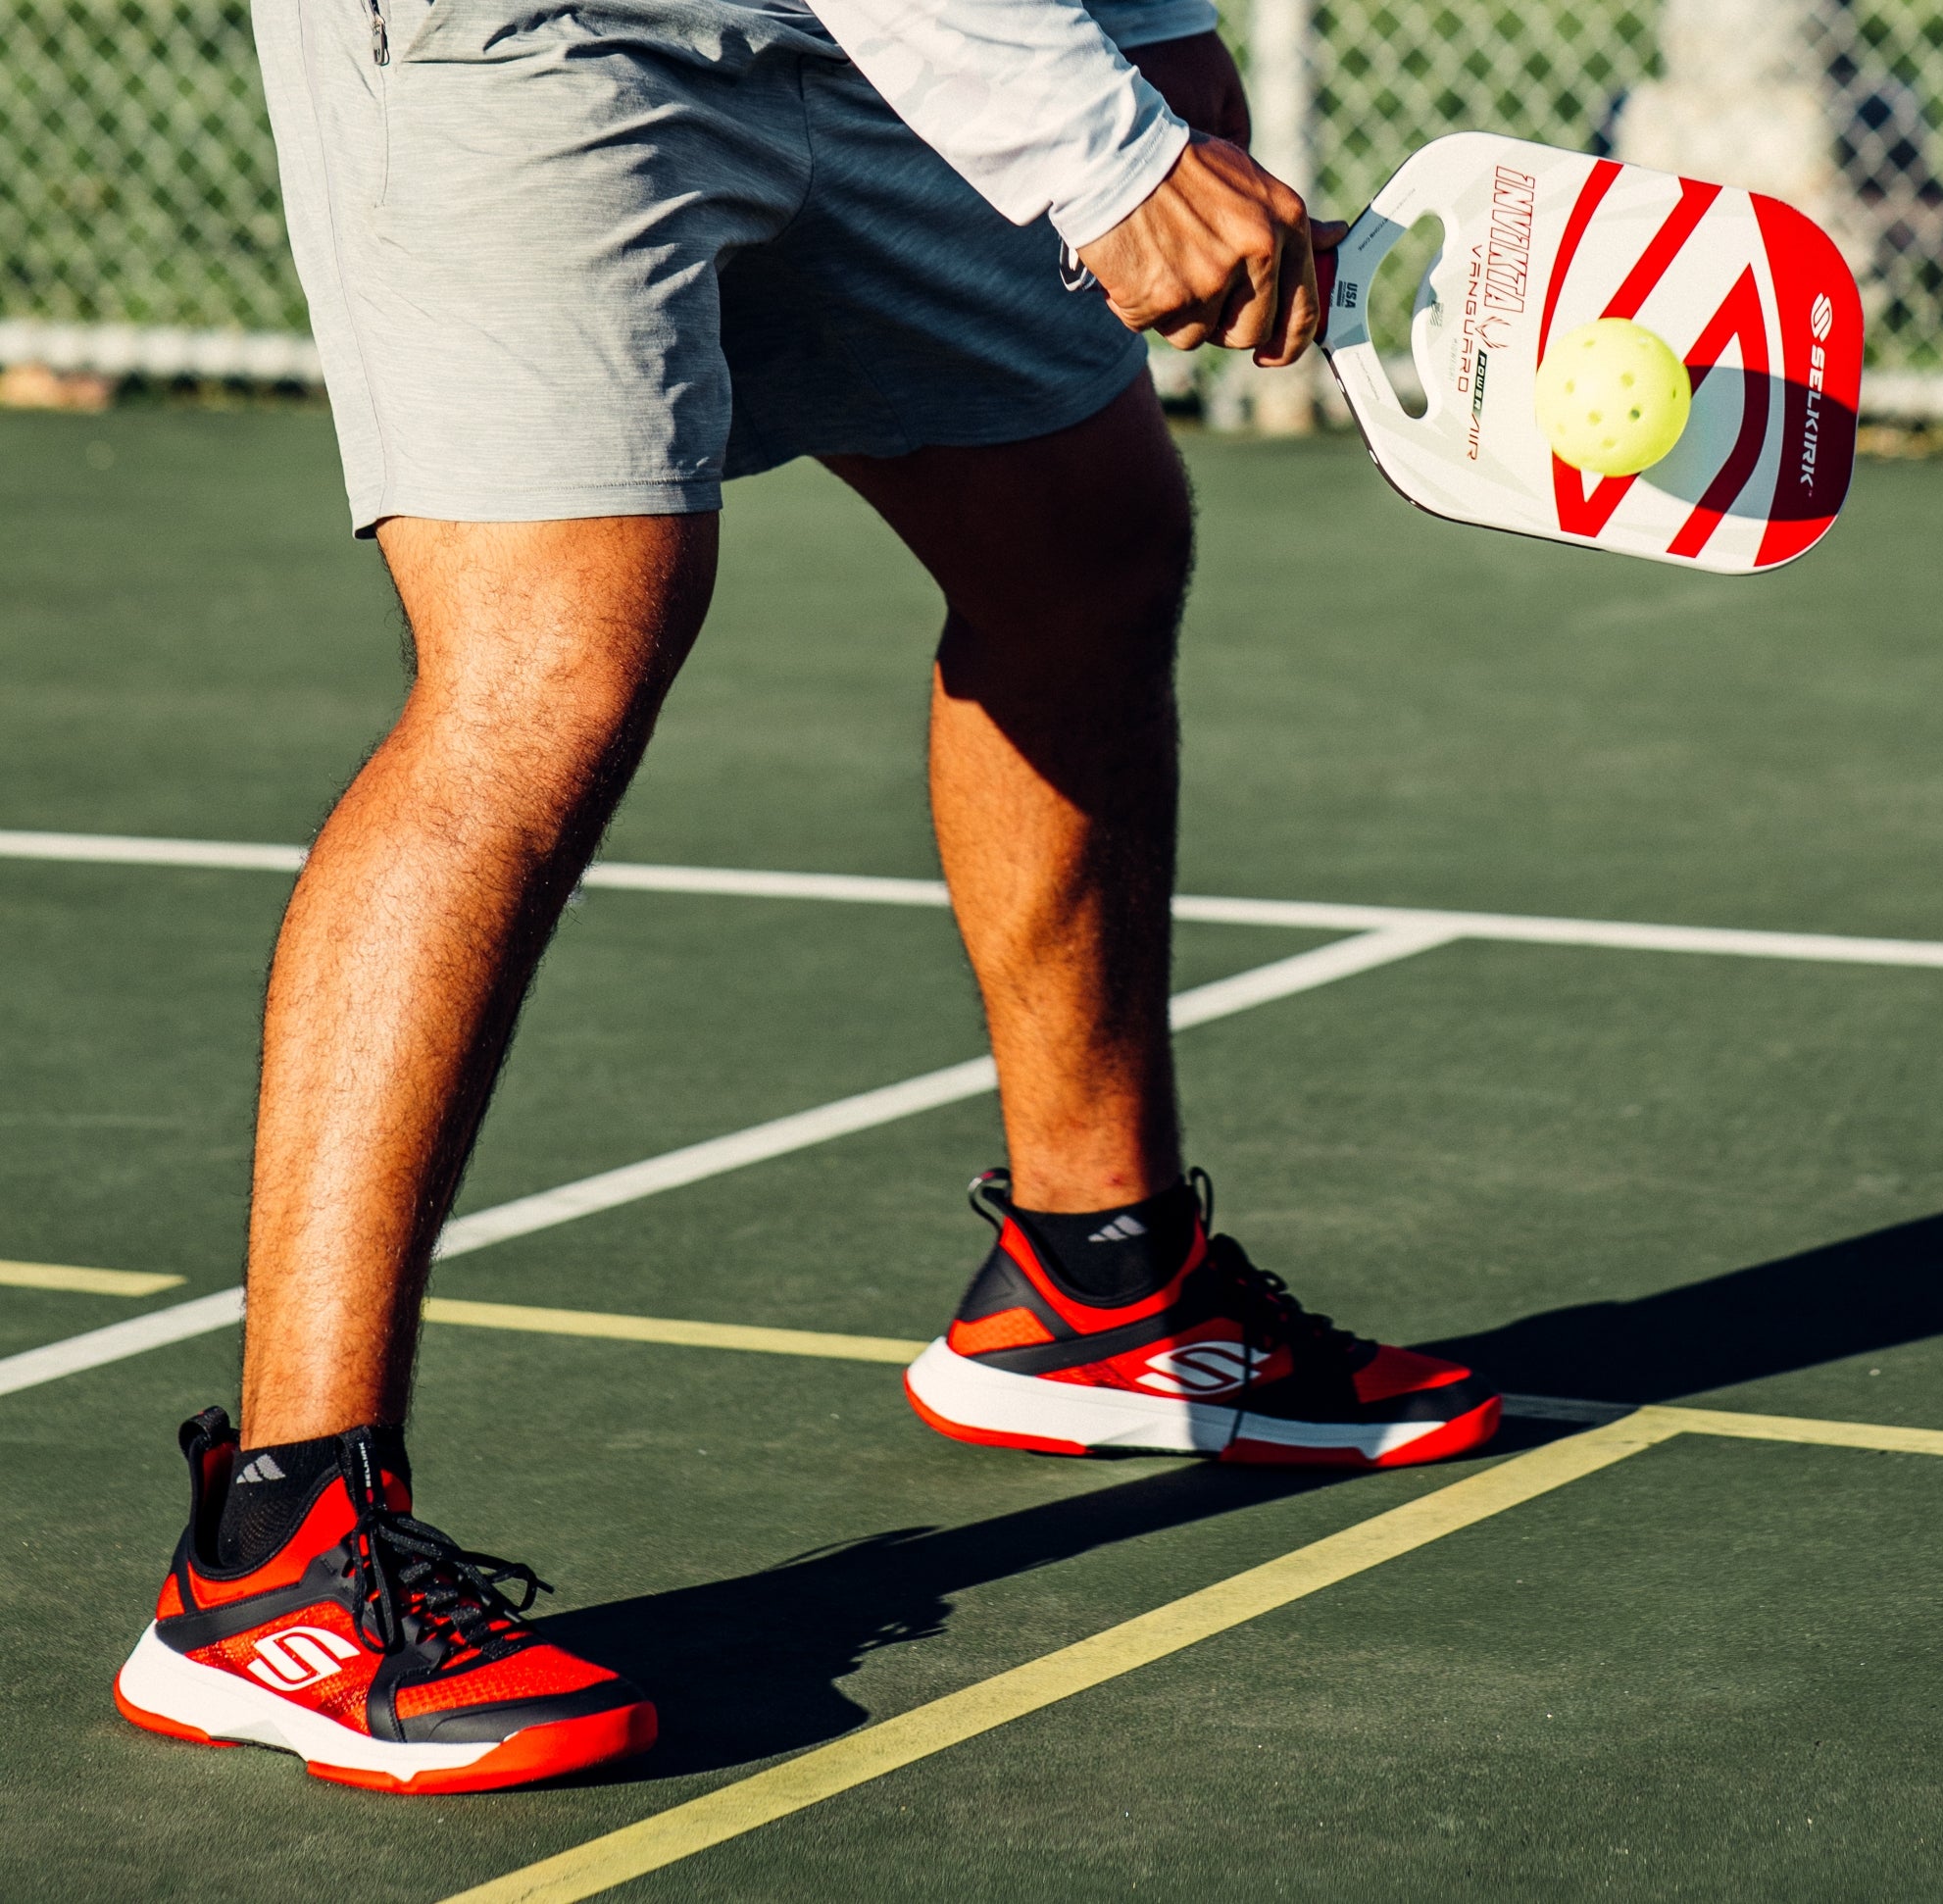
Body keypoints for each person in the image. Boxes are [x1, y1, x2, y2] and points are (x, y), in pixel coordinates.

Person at [109, 0, 1501, 1793]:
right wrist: (1102, 154)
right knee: (551, 662)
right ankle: (272, 1556)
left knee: (1078, 536)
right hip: (516, 31)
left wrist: (1148, 34)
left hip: (864, 37)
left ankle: (1096, 1285)